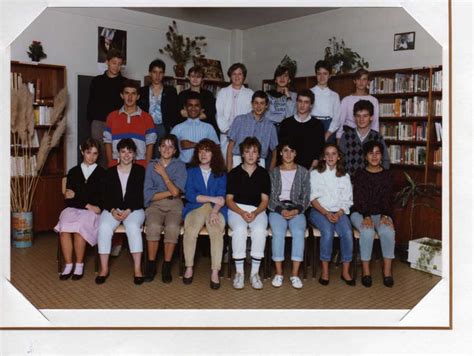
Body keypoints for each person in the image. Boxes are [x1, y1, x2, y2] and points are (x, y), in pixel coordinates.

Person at [96, 138, 146, 285]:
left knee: (132, 227)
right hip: (113, 209)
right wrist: (112, 210)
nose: (126, 155)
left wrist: (129, 210)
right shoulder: (109, 172)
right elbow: (103, 196)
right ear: (118, 153)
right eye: (123, 151)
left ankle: (137, 269)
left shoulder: (140, 171)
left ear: (134, 154)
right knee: (104, 227)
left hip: (134, 209)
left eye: (129, 152)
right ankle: (104, 269)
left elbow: (141, 195)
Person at [54, 138, 105, 280]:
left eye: (95, 153)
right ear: (82, 151)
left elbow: (100, 200)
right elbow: (70, 198)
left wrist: (79, 196)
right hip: (74, 208)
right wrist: (87, 203)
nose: (91, 157)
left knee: (79, 228)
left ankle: (79, 265)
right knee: (64, 228)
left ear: (98, 154)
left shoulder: (102, 173)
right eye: (88, 153)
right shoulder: (73, 172)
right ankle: (68, 264)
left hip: (91, 212)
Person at [226, 137, 271, 290]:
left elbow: (265, 200)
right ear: (242, 154)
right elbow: (229, 200)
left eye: (254, 152)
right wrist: (241, 212)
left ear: (259, 155)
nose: (251, 155)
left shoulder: (264, 174)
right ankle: (239, 273)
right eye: (247, 151)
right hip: (237, 209)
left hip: (258, 210)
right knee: (239, 230)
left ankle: (254, 274)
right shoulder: (234, 173)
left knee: (259, 231)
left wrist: (256, 212)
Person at [182, 139, 227, 289]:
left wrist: (214, 211)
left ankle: (215, 271)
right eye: (200, 151)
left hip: (217, 209)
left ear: (213, 154)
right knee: (191, 230)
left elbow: (221, 196)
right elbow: (190, 195)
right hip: (195, 208)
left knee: (216, 231)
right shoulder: (191, 171)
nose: (203, 154)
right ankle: (189, 267)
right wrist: (211, 198)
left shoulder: (220, 172)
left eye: (207, 151)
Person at [308, 143, 355, 286]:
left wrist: (340, 213)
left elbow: (347, 199)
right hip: (319, 211)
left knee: (347, 232)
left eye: (334, 153)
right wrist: (326, 213)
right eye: (327, 154)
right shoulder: (315, 174)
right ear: (323, 157)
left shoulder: (345, 176)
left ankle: (345, 271)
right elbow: (313, 199)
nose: (330, 157)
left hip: (339, 212)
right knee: (327, 232)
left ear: (339, 156)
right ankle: (325, 271)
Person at [351, 141, 395, 288]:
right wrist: (367, 216)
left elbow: (388, 198)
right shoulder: (360, 174)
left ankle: (387, 272)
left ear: (382, 156)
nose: (374, 156)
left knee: (388, 231)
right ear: (365, 156)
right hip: (360, 212)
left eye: (377, 153)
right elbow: (359, 198)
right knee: (367, 232)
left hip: (381, 212)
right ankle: (366, 272)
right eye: (371, 153)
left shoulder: (388, 175)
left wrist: (386, 215)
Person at [143, 134, 187, 283]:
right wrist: (171, 191)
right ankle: (151, 264)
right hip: (155, 206)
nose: (166, 149)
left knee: (173, 227)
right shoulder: (151, 165)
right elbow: (148, 194)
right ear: (159, 148)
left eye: (170, 146)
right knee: (153, 226)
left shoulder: (180, 166)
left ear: (175, 150)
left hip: (175, 206)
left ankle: (167, 266)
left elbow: (178, 193)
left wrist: (163, 174)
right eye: (163, 146)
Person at [268, 139, 310, 289]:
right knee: (278, 233)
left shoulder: (303, 172)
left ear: (295, 153)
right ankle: (279, 273)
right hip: (277, 209)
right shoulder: (273, 173)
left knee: (298, 232)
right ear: (280, 153)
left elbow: (306, 197)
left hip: (297, 209)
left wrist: (296, 210)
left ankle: (294, 274)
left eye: (291, 151)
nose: (288, 154)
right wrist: (282, 210)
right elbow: (271, 198)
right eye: (285, 150)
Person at [103, 79, 157, 168]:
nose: (130, 97)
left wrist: (147, 166)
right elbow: (107, 142)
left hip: (140, 166)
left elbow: (150, 144)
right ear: (122, 95)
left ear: (138, 96)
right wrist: (111, 163)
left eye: (133, 93)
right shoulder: (112, 117)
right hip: (117, 165)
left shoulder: (147, 118)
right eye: (127, 93)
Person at [87, 49, 127, 167]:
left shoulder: (124, 83)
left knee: (116, 153)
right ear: (107, 62)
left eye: (119, 64)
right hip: (98, 123)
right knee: (98, 154)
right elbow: (90, 104)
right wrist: (92, 121)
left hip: (117, 123)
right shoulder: (97, 81)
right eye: (114, 63)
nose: (116, 66)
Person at [226, 90, 278, 171]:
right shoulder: (239, 120)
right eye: (256, 103)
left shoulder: (270, 126)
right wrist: (228, 170)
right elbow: (230, 147)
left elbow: (275, 153)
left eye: (262, 103)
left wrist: (270, 175)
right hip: (238, 159)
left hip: (260, 162)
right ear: (252, 104)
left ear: (266, 105)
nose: (258, 106)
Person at [138, 58, 179, 156]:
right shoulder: (142, 91)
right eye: (154, 72)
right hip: (146, 127)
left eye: (160, 73)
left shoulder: (170, 91)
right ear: (150, 73)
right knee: (144, 153)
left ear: (163, 74)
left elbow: (174, 111)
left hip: (162, 126)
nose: (157, 76)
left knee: (160, 153)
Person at [339, 99, 389, 176]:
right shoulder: (346, 136)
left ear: (371, 117)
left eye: (365, 116)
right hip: (350, 181)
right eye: (358, 116)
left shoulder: (377, 137)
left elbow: (385, 160)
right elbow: (340, 161)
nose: (361, 119)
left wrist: (382, 178)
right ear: (354, 117)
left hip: (372, 181)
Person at [278, 89, 325, 170]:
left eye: (306, 102)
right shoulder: (286, 123)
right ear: (296, 102)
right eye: (300, 101)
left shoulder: (318, 125)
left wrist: (311, 170)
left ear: (311, 105)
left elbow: (319, 151)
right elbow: (281, 149)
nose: (302, 105)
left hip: (309, 170)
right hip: (288, 169)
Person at [216, 63, 254, 161]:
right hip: (226, 134)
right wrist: (227, 130)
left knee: (242, 162)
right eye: (234, 74)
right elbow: (219, 114)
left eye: (240, 74)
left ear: (244, 76)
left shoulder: (250, 93)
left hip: (244, 134)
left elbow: (251, 115)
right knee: (226, 162)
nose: (237, 76)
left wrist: (241, 132)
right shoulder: (223, 92)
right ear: (230, 76)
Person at [171, 92, 220, 164]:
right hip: (183, 167)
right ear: (185, 108)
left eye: (197, 105)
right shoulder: (177, 128)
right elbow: (168, 148)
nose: (193, 108)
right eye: (190, 105)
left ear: (201, 108)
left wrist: (193, 145)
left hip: (203, 166)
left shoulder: (209, 128)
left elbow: (216, 148)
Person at [336, 69, 380, 140]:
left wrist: (375, 139)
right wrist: (338, 138)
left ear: (368, 82)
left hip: (367, 136)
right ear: (354, 81)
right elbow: (340, 122)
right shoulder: (346, 100)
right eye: (358, 79)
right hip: (349, 136)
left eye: (364, 79)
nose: (361, 82)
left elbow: (375, 123)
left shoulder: (374, 100)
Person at [177, 66, 219, 135]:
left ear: (202, 79)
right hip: (186, 130)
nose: (195, 79)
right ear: (188, 77)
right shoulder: (182, 95)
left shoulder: (208, 95)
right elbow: (181, 113)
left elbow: (207, 115)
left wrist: (190, 113)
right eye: (193, 76)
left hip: (205, 130)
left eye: (198, 77)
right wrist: (198, 113)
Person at [310, 60, 341, 142]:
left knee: (328, 152)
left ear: (330, 75)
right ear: (316, 75)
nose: (322, 77)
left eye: (325, 73)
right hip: (312, 125)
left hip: (329, 126)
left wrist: (329, 132)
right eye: (319, 73)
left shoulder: (334, 95)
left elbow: (337, 117)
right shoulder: (310, 92)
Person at [264, 65, 297, 130]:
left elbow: (292, 116)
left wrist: (288, 96)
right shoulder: (267, 95)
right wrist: (283, 118)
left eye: (285, 76)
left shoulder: (294, 95)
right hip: (270, 128)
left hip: (287, 129)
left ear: (289, 80)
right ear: (275, 80)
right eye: (279, 75)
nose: (282, 78)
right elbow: (266, 115)